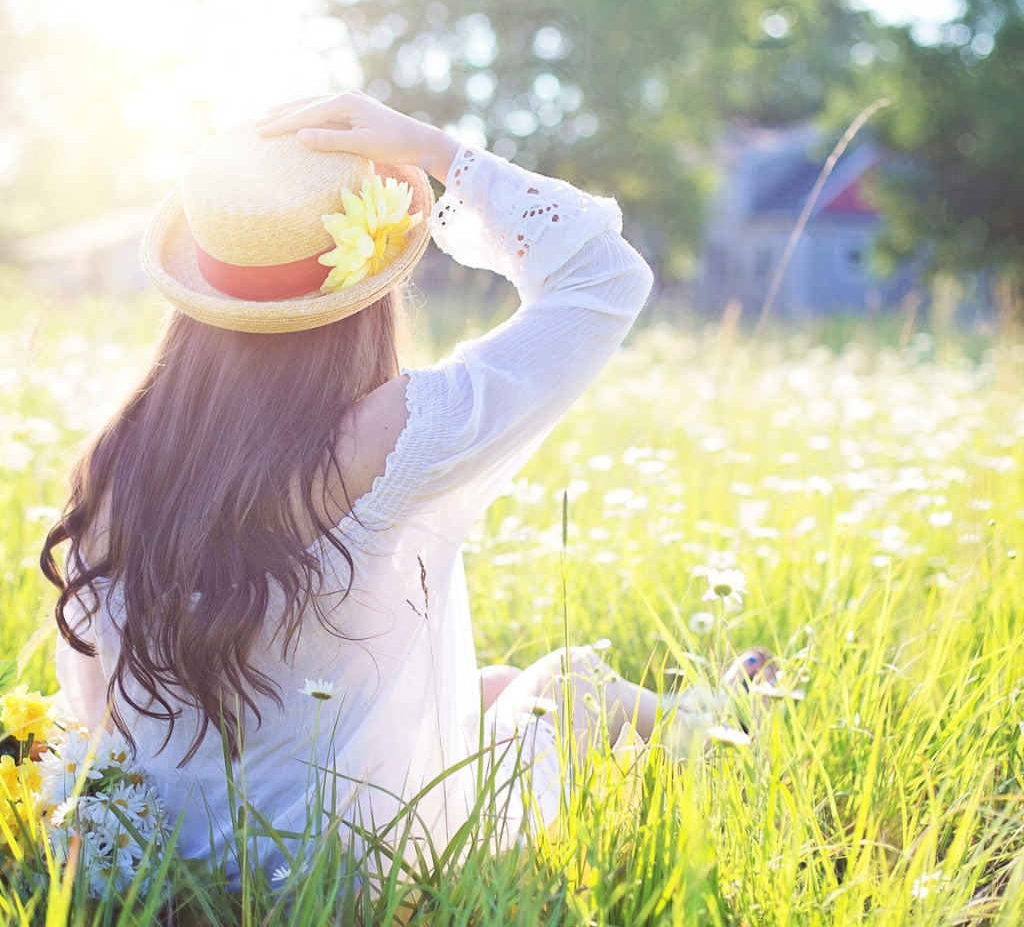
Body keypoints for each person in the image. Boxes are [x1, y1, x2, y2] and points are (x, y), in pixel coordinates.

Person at [42, 92, 771, 884]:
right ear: (364, 291)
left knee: (489, 687)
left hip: (170, 852)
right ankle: (721, 727)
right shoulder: (385, 436)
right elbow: (605, 277)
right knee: (569, 681)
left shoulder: (117, 456)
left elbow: (94, 698)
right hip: (354, 866)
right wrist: (438, 151)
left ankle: (711, 715)